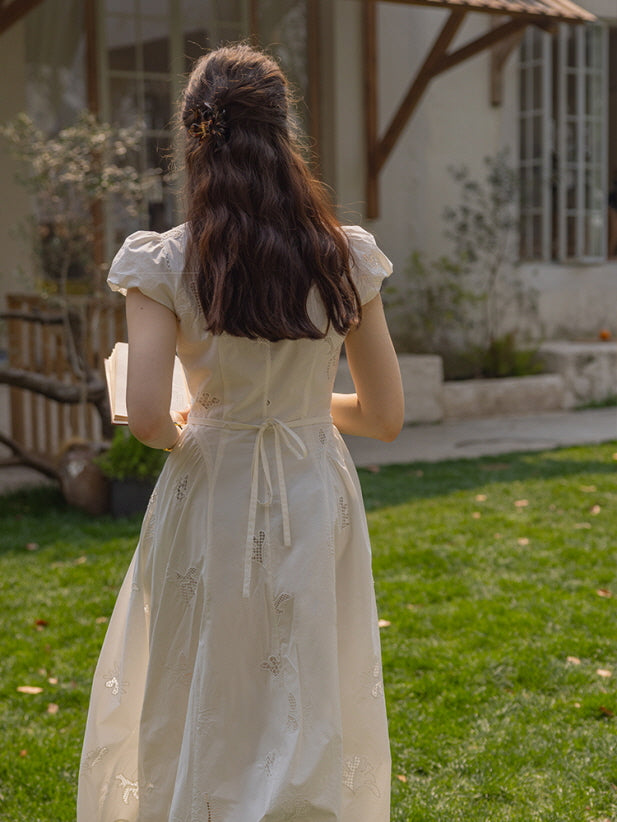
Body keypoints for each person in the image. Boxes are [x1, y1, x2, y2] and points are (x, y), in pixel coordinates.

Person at [77, 43, 404, 822]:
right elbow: (384, 416)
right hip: (311, 485)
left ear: (195, 137)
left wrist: (204, 418)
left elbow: (150, 414)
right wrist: (293, 407)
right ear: (285, 131)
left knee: (198, 676)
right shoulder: (343, 257)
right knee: (304, 677)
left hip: (211, 482)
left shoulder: (167, 261)